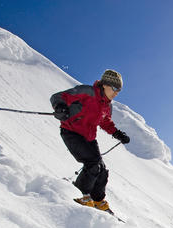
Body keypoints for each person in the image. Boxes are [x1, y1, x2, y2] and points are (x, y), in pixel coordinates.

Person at [50, 69, 130, 212]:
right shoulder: (87, 92)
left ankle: (98, 200)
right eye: (115, 88)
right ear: (105, 84)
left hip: (89, 138)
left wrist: (118, 134)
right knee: (92, 164)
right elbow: (58, 97)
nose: (117, 93)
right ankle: (81, 194)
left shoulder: (107, 105)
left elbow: (106, 122)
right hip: (71, 132)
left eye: (119, 90)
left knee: (102, 169)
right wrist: (60, 107)